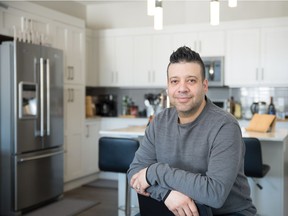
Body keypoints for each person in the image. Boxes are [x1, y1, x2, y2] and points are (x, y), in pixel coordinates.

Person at [127, 46, 256, 216]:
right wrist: (166, 194)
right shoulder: (159, 122)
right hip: (172, 208)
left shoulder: (225, 126)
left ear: (204, 86)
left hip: (227, 213)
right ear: (168, 87)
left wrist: (156, 172)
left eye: (191, 80)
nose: (182, 88)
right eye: (175, 81)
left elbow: (214, 193)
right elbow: (134, 174)